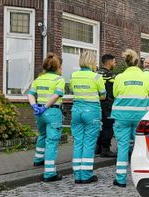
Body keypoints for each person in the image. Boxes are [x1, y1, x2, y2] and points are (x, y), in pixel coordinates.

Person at [111, 49, 149, 188]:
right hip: (140, 117)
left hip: (122, 117)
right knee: (140, 147)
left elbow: (115, 93)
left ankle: (120, 179)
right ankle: (140, 178)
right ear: (138, 62)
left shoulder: (119, 77)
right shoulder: (147, 77)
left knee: (122, 146)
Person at [27, 53, 65, 182]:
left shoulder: (38, 79)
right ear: (58, 67)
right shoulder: (59, 80)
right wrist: (46, 106)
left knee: (42, 135)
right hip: (53, 112)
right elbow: (56, 96)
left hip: (39, 114)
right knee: (52, 141)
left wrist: (35, 106)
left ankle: (38, 159)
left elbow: (30, 94)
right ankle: (49, 173)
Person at [70, 51, 106, 184]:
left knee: (78, 142)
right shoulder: (96, 77)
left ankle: (77, 174)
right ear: (92, 61)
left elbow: (73, 90)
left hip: (76, 111)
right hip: (91, 111)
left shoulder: (74, 75)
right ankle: (86, 174)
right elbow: (103, 95)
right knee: (89, 142)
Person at [96, 53, 117, 157]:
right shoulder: (111, 76)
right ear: (109, 62)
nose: (115, 63)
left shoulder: (96, 74)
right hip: (108, 105)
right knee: (108, 127)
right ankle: (106, 149)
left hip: (96, 104)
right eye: (114, 61)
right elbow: (116, 91)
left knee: (98, 126)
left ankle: (97, 147)